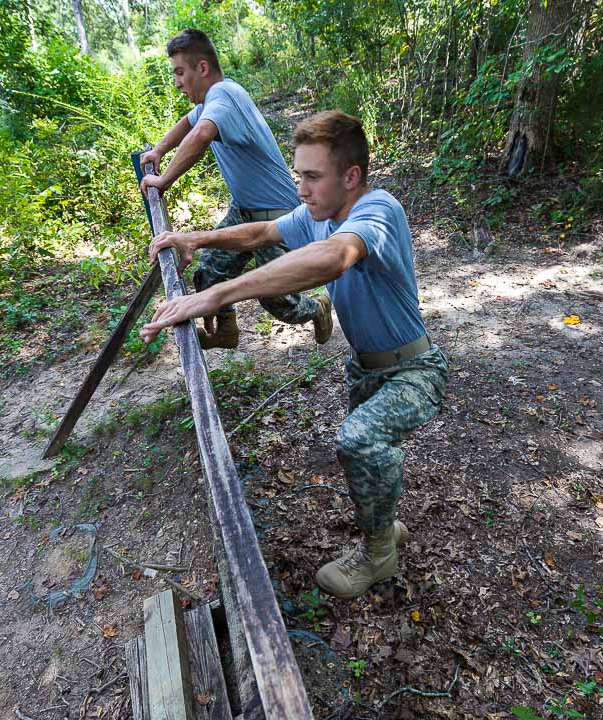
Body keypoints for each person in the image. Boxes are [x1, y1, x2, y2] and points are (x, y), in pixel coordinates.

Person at [140, 110, 448, 599]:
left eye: (311, 177)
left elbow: (334, 257)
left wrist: (220, 295)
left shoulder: (378, 210)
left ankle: (378, 555)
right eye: (297, 175)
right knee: (361, 457)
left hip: (414, 369)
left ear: (351, 177)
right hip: (365, 368)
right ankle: (385, 530)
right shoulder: (319, 214)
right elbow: (262, 233)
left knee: (359, 440)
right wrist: (194, 239)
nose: (300, 188)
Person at [139, 28, 332, 350]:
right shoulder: (211, 101)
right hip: (243, 209)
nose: (177, 83)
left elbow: (200, 136)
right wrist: (159, 150)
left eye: (180, 72)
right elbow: (189, 122)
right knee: (209, 272)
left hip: (278, 213)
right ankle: (226, 332)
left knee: (278, 301)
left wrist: (163, 180)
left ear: (202, 68)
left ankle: (318, 308)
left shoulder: (224, 94)